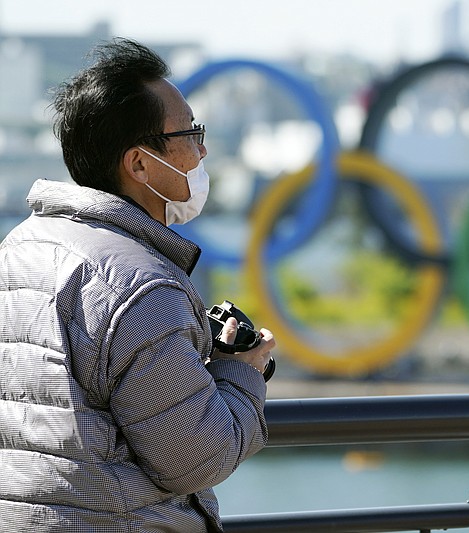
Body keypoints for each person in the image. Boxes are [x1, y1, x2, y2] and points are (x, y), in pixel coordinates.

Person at [0, 38, 275, 532]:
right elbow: (197, 458)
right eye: (190, 133)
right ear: (140, 164)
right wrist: (242, 371)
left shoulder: (20, 247)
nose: (203, 149)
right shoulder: (140, 287)